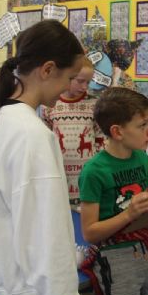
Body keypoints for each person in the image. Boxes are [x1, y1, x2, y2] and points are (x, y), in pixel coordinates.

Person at [0, 20, 85, 295]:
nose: (69, 88)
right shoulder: (31, 134)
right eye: (70, 77)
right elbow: (46, 235)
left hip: (11, 288)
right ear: (47, 70)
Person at [79, 87, 148, 295]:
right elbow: (90, 232)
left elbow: (144, 213)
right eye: (142, 125)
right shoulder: (93, 171)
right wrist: (129, 214)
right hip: (114, 256)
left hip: (146, 246)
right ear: (117, 132)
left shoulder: (140, 157)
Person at [41, 56, 105, 205]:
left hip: (87, 173)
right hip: (60, 172)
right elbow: (45, 139)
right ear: (68, 77)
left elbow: (100, 136)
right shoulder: (49, 104)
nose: (84, 87)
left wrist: (98, 166)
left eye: (88, 82)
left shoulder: (94, 104)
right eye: (80, 81)